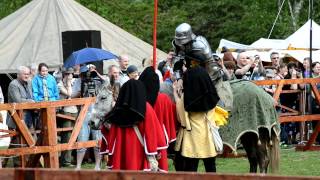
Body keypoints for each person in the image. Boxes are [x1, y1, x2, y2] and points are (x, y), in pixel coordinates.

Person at [104, 79, 167, 171]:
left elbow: (111, 134)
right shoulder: (146, 108)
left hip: (120, 154)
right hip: (139, 154)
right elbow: (153, 133)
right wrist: (155, 151)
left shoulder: (117, 110)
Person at [173, 66, 220, 172]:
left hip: (191, 137)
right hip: (207, 136)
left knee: (191, 168)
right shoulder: (211, 94)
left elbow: (181, 119)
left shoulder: (186, 97)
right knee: (211, 167)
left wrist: (176, 94)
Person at [139, 67, 177, 171]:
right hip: (160, 137)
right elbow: (171, 117)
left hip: (142, 136)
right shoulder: (163, 98)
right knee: (161, 171)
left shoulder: (137, 100)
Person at [76, 65, 102, 170]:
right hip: (84, 112)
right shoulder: (79, 81)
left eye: (93, 70)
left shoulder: (99, 80)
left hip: (96, 112)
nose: (90, 73)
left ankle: (97, 165)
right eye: (88, 71)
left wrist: (97, 74)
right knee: (82, 138)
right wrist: (80, 91)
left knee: (97, 139)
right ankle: (78, 166)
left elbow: (108, 84)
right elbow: (72, 95)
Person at [57, 67, 81, 167]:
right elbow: (70, 95)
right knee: (66, 136)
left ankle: (73, 159)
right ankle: (65, 161)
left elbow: (78, 94)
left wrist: (71, 84)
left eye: (71, 74)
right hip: (66, 111)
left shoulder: (74, 83)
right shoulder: (59, 85)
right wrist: (68, 84)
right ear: (64, 75)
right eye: (67, 74)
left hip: (75, 111)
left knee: (75, 136)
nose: (70, 76)